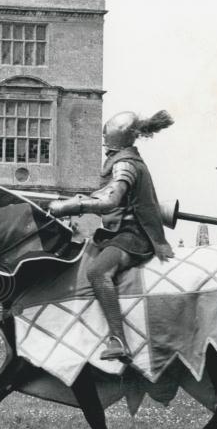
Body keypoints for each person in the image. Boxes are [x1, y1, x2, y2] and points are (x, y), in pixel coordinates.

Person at [48, 110, 174, 363]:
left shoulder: (125, 164)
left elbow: (110, 201)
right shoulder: (126, 160)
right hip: (116, 233)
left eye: (106, 137)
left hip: (132, 236)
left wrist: (70, 207)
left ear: (115, 139)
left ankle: (118, 340)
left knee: (97, 272)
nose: (104, 141)